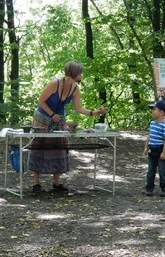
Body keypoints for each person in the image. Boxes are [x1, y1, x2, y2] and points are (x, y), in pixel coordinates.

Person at [28, 60, 107, 192]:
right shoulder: (55, 83)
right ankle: (36, 184)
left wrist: (94, 112)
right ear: (74, 73)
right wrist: (52, 114)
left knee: (59, 148)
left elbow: (79, 108)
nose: (82, 75)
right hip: (42, 118)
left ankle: (56, 184)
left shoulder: (75, 88)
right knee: (39, 147)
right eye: (80, 73)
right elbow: (41, 101)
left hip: (59, 119)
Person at [143, 100, 165, 197]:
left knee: (162, 171)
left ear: (161, 112)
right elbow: (149, 136)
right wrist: (146, 147)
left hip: (160, 150)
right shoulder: (152, 124)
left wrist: (164, 152)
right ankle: (149, 188)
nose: (152, 111)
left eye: (154, 109)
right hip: (152, 150)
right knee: (151, 171)